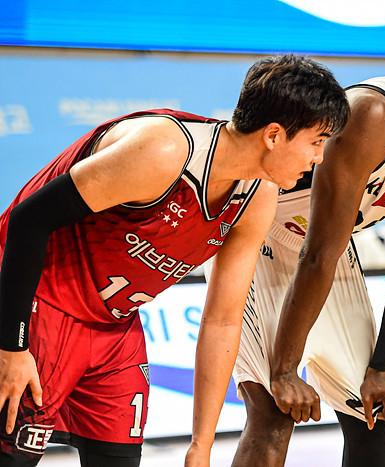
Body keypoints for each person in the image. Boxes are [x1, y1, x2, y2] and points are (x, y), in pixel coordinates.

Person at [0, 55, 349, 467]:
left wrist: (202, 445)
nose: (319, 158)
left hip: (113, 324)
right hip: (40, 300)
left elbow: (223, 320)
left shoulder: (257, 195)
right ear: (274, 135)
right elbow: (27, 220)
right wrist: (11, 345)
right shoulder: (165, 151)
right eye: (317, 141)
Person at [201, 59, 385, 467]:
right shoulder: (370, 117)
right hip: (258, 232)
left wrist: (381, 368)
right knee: (273, 413)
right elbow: (318, 254)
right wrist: (285, 370)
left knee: (369, 412)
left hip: (327, 250)